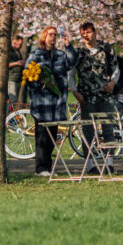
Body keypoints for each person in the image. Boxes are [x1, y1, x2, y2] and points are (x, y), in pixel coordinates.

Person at [71, 21, 123, 169]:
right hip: (86, 96)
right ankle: (89, 164)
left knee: (108, 127)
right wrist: (75, 92)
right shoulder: (78, 52)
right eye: (83, 33)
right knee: (88, 129)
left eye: (88, 32)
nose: (85, 36)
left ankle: (109, 162)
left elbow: (116, 70)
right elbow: (71, 74)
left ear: (94, 32)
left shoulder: (107, 49)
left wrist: (113, 83)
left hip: (104, 95)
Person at [26, 26, 77, 176]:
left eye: (55, 35)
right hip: (42, 103)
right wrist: (40, 85)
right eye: (50, 34)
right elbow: (28, 75)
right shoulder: (35, 55)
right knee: (42, 136)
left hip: (56, 103)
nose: (53, 37)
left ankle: (48, 167)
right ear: (43, 36)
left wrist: (69, 46)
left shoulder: (60, 55)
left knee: (53, 136)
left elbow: (72, 62)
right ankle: (41, 168)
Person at [8, 36, 26, 103]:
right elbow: (5, 65)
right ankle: (9, 113)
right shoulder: (10, 51)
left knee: (14, 100)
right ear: (14, 42)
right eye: (19, 44)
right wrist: (17, 63)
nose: (21, 45)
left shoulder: (18, 52)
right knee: (12, 99)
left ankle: (11, 113)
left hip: (18, 79)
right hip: (11, 79)